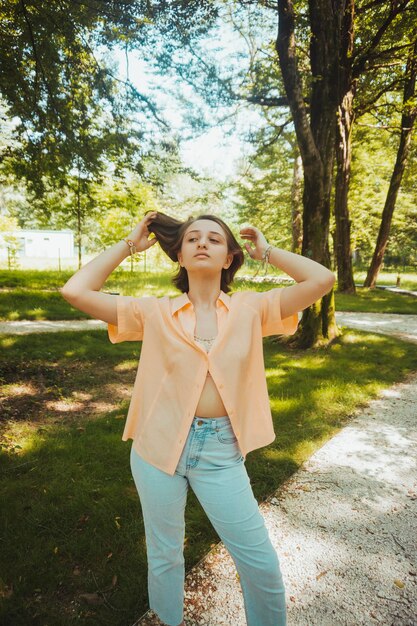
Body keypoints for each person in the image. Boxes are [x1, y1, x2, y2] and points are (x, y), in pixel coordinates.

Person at [60, 210, 335, 626]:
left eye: (214, 239)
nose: (202, 243)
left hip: (221, 452)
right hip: (155, 449)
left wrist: (268, 252)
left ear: (228, 258)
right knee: (165, 553)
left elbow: (322, 280)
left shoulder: (251, 309)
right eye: (191, 239)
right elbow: (76, 290)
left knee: (258, 561)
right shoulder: (153, 312)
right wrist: (129, 245)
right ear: (180, 256)